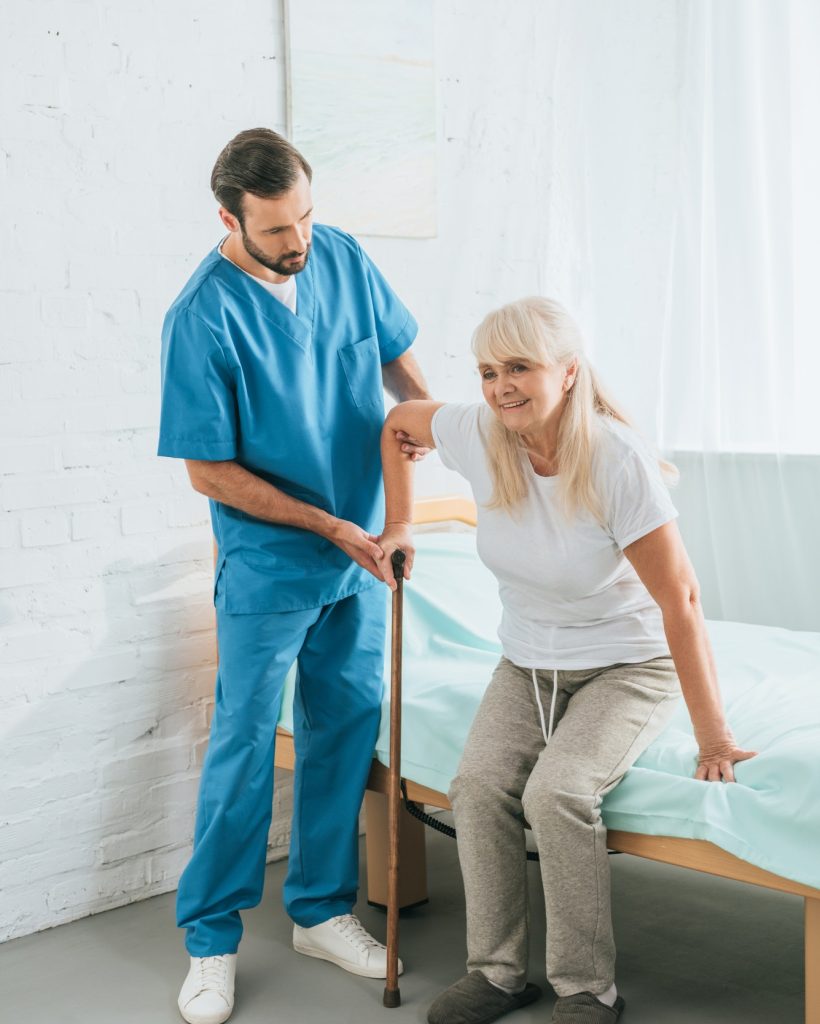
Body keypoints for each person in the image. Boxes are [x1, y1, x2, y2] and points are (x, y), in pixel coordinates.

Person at [375, 297, 757, 1024]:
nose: (500, 386)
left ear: (569, 372)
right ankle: (496, 973)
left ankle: (587, 990)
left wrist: (712, 736)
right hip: (525, 663)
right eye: (488, 371)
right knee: (477, 785)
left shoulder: (616, 459)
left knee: (557, 794)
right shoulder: (478, 430)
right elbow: (398, 423)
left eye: (519, 367)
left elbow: (681, 600)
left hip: (626, 667)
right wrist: (398, 523)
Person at [158, 127, 432, 1024]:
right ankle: (210, 941)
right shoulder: (201, 316)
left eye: (306, 217)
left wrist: (420, 455)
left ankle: (319, 909)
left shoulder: (341, 255)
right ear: (230, 219)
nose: (299, 242)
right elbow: (210, 471)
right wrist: (327, 523)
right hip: (274, 560)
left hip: (361, 557)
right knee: (242, 744)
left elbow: (397, 368)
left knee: (343, 729)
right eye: (278, 230)